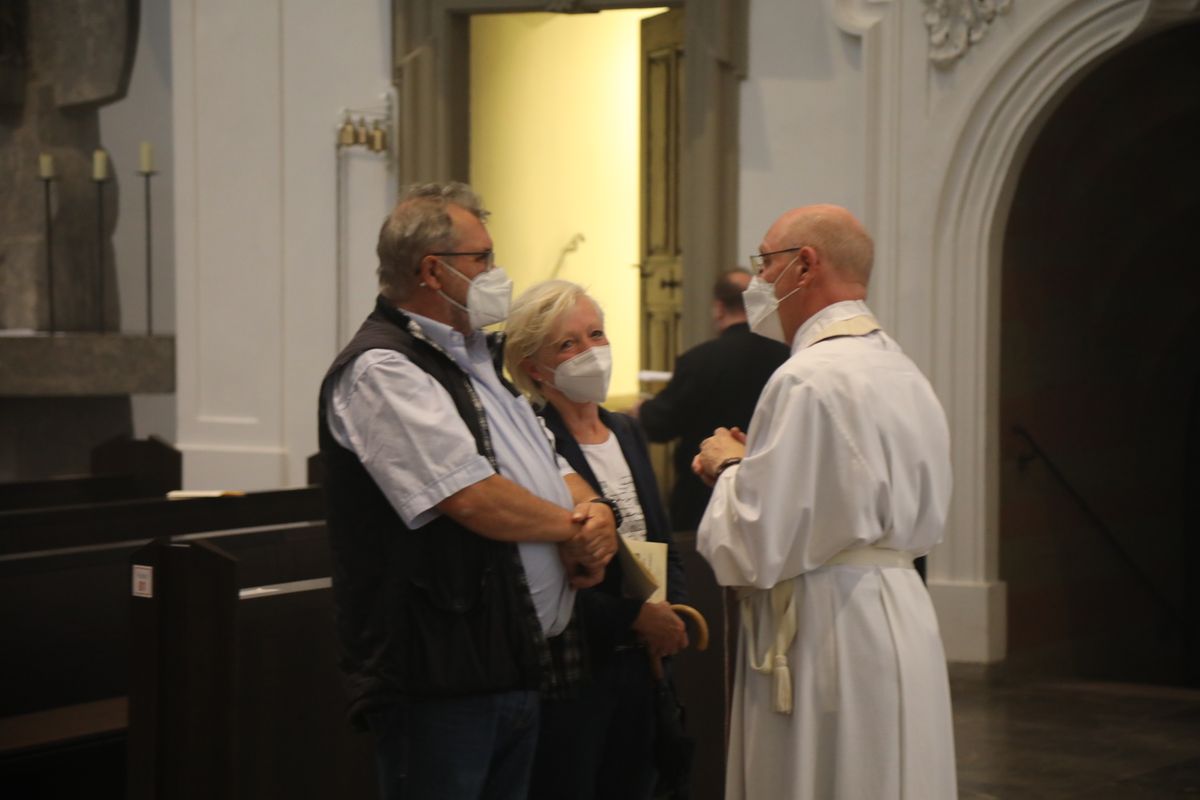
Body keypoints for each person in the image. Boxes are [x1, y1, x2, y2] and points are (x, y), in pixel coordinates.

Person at [317, 182, 619, 800]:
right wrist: (576, 530)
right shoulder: (384, 368)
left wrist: (593, 509)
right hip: (439, 672)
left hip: (508, 657)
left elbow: (549, 459)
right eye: (482, 258)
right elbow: (469, 496)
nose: (495, 272)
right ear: (433, 271)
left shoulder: (476, 359)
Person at [692, 205, 957, 799]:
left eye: (766, 262)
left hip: (827, 626)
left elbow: (755, 546)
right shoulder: (903, 370)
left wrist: (727, 465)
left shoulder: (807, 377)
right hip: (900, 611)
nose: (759, 280)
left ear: (805, 265)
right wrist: (760, 471)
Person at [504, 280, 689, 800]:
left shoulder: (625, 431)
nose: (590, 351)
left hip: (646, 660)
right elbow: (544, 567)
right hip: (578, 664)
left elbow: (660, 536)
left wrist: (671, 609)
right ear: (534, 368)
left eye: (596, 334)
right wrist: (632, 617)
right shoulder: (533, 443)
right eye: (568, 344)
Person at [633, 270, 789, 532]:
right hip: (770, 496)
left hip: (702, 499)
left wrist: (642, 410)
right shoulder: (786, 357)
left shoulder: (699, 360)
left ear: (718, 308)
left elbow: (659, 424)